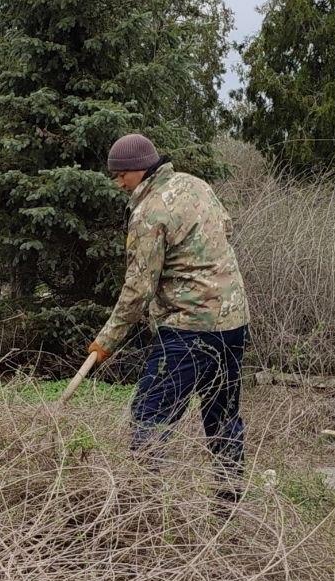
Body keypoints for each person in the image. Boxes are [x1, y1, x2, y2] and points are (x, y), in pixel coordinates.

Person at [88, 133, 251, 487]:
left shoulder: (149, 211)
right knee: (222, 417)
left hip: (188, 328)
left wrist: (107, 340)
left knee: (150, 414)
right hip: (234, 322)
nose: (119, 184)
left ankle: (143, 507)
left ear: (140, 169)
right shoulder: (197, 186)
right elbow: (226, 228)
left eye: (122, 175)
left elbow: (138, 288)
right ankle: (229, 506)